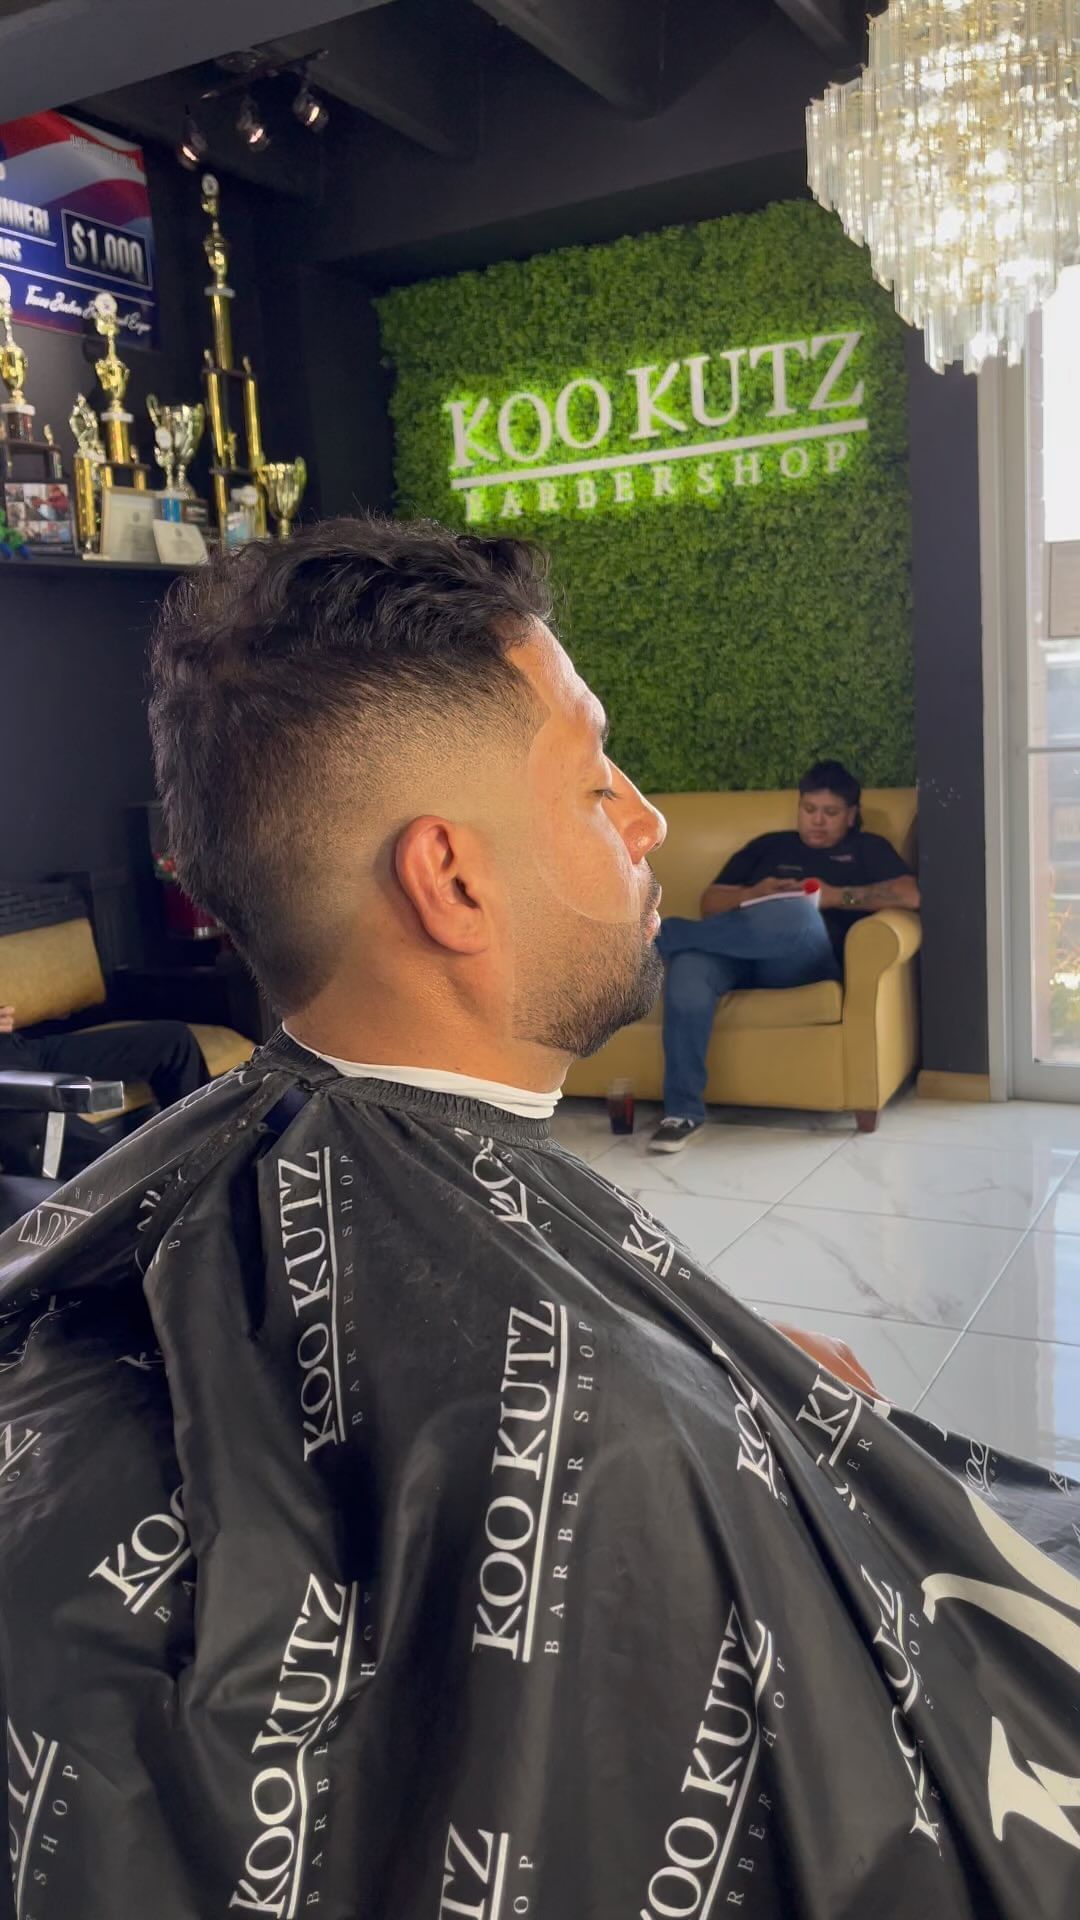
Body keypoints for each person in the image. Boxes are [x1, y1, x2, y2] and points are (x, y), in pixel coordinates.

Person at [0, 519, 1075, 1920]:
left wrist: (731, 1388)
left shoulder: (217, 1178)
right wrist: (697, 1424)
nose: (645, 820)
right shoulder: (611, 1441)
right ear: (452, 880)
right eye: (594, 778)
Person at [651, 759, 920, 1150]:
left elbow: (911, 895)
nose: (817, 821)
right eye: (809, 809)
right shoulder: (769, 846)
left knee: (796, 913)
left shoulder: (867, 849)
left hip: (804, 961)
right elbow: (710, 903)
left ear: (851, 815)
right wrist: (753, 893)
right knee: (689, 966)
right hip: (737, 956)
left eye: (830, 813)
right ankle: (682, 1113)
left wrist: (835, 896)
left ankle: (660, 936)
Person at [0, 1000, 206, 1118]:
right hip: (6, 1072)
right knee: (97, 1158)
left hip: (20, 1047)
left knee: (174, 1040)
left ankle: (207, 1157)